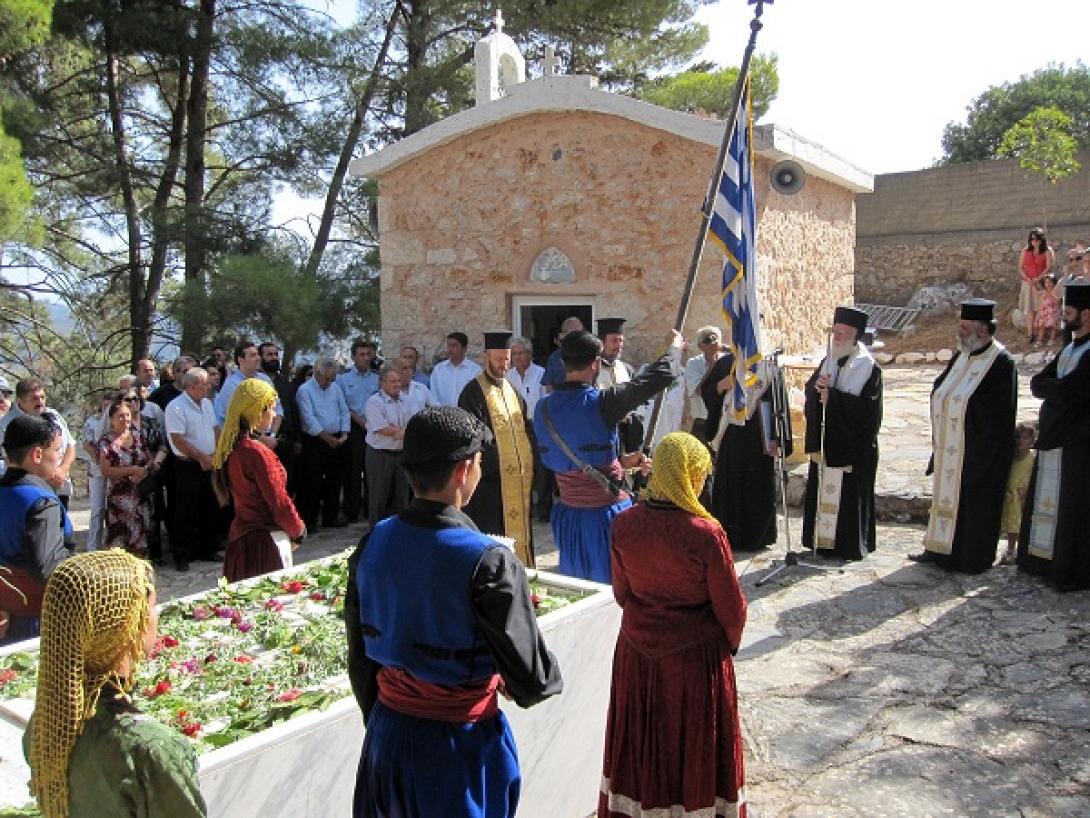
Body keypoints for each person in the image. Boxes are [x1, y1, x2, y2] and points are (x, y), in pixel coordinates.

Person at [345, 406, 563, 818]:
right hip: (457, 749)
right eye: (480, 462)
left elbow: (360, 657)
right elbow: (532, 679)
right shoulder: (488, 560)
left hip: (386, 739)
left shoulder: (373, 541)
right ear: (464, 470)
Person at [600, 432, 747, 818]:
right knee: (691, 747)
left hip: (637, 656)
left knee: (643, 744)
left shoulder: (624, 524)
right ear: (685, 476)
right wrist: (725, 649)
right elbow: (732, 610)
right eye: (697, 475)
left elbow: (622, 592)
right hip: (694, 663)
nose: (700, 484)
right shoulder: (706, 534)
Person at [25, 550, 207, 818]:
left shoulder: (47, 725)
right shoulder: (151, 750)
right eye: (152, 607)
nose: (156, 617)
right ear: (129, 626)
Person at [534, 328, 682, 582]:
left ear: (563, 362)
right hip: (606, 517)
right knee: (617, 588)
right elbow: (659, 377)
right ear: (595, 364)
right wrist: (674, 348)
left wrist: (621, 462)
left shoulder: (542, 408)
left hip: (569, 518)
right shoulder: (603, 403)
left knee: (581, 588)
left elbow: (572, 459)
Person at [912, 299, 1017, 572]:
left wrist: (957, 404)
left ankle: (970, 558)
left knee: (974, 507)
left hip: (980, 453)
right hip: (951, 447)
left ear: (982, 331)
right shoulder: (962, 355)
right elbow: (942, 386)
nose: (959, 332)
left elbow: (995, 412)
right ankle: (938, 551)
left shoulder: (1001, 363)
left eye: (964, 327)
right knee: (945, 499)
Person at [1018, 280, 1090, 591]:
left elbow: (1072, 392)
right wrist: (1055, 391)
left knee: (1073, 509)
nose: (1063, 316)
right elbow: (1039, 384)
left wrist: (1054, 391)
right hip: (1055, 440)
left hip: (1078, 445)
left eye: (1069, 311)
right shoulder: (1070, 349)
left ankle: (1067, 569)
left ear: (1086, 314)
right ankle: (1042, 561)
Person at [801, 306, 883, 561]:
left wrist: (833, 398)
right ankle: (822, 543)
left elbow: (869, 412)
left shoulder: (869, 368)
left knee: (848, 499)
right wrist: (817, 392)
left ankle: (848, 545)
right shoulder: (829, 359)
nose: (836, 338)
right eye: (835, 332)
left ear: (855, 337)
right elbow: (811, 392)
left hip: (852, 447)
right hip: (828, 443)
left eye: (842, 334)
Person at [212, 379, 306, 582]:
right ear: (257, 411)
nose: (273, 415)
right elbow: (278, 501)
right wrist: (298, 530)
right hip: (265, 543)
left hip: (241, 539)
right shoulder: (255, 452)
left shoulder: (232, 448)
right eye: (271, 409)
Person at [458, 332, 537, 566]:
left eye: (507, 359)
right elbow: (475, 437)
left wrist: (531, 456)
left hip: (517, 483)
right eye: (499, 358)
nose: (504, 364)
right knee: (493, 537)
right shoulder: (472, 393)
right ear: (486, 357)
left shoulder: (513, 391)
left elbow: (526, 428)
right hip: (489, 486)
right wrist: (502, 463)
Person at [702, 354, 790, 553]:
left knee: (757, 485)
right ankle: (726, 535)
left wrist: (777, 436)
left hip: (758, 438)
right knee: (729, 485)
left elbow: (779, 403)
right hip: (730, 437)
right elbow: (706, 392)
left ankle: (758, 537)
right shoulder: (725, 363)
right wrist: (720, 386)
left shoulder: (767, 367)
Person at [0, 416, 73, 645]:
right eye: (56, 450)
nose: (59, 457)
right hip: (38, 617)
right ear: (37, 454)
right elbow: (46, 567)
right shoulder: (40, 501)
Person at [164, 367, 220, 571]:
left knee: (209, 506)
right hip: (187, 464)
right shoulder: (176, 407)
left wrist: (215, 453)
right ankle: (182, 554)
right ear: (193, 385)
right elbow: (178, 439)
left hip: (209, 461)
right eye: (205, 383)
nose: (209, 386)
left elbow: (214, 428)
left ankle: (206, 548)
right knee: (185, 509)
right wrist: (201, 457)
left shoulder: (206, 403)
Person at [0, 378, 77, 508]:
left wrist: (62, 470)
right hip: (30, 491)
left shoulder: (54, 416)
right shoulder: (8, 424)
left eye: (42, 397)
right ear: (20, 400)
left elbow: (70, 445)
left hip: (60, 485)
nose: (40, 402)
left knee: (62, 526)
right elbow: (11, 460)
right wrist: (45, 476)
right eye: (35, 399)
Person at [296, 357, 351, 530]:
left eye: (331, 378)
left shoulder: (335, 388)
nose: (328, 382)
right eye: (326, 378)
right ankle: (309, 519)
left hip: (336, 439)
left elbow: (344, 410)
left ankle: (331, 516)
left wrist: (344, 433)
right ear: (316, 373)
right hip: (316, 441)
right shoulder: (305, 390)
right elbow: (308, 419)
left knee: (335, 480)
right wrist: (327, 438)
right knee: (312, 481)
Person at [97, 397, 152, 557]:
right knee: (120, 541)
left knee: (140, 537)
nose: (125, 419)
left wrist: (143, 471)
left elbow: (149, 459)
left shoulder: (137, 436)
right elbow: (106, 470)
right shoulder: (106, 442)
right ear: (112, 419)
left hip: (139, 496)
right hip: (118, 498)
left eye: (127, 415)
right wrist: (132, 470)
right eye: (120, 416)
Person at [338, 340, 381, 523]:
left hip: (375, 428)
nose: (365, 358)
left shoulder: (377, 378)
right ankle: (351, 511)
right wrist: (360, 422)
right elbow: (343, 406)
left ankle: (370, 509)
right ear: (354, 356)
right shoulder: (343, 379)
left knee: (372, 471)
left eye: (368, 354)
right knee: (353, 472)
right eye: (361, 354)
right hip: (354, 429)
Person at [363, 366, 411, 526]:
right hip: (379, 454)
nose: (397, 384)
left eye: (398, 381)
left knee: (401, 498)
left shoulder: (406, 399)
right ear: (382, 384)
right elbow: (381, 428)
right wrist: (400, 431)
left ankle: (399, 534)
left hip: (401, 453)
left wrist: (397, 430)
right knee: (379, 498)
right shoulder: (374, 402)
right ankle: (376, 535)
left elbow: (410, 424)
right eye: (393, 381)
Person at [594, 318, 644, 457]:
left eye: (621, 340)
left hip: (627, 434)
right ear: (602, 343)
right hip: (603, 434)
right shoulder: (592, 370)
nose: (619, 345)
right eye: (614, 341)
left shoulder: (627, 369)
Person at [79, 394, 113, 552]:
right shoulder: (92, 421)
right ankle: (93, 546)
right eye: (105, 405)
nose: (106, 409)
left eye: (110, 406)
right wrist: (100, 460)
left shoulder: (116, 421)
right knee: (97, 508)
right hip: (96, 471)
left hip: (115, 470)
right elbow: (87, 444)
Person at [1000, 422, 1037, 565]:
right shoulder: (1012, 458)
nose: (1021, 441)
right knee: (1011, 525)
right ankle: (1010, 549)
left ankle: (1020, 550)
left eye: (1025, 438)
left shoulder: (1031, 458)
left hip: (1022, 496)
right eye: (1019, 438)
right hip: (1010, 496)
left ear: (1032, 441)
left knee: (1020, 524)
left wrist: (1028, 489)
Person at [684, 326, 724, 443]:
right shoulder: (693, 364)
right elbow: (699, 391)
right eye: (706, 341)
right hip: (702, 422)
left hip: (723, 420)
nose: (711, 344)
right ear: (700, 346)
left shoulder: (726, 361)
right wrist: (712, 366)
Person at [1018, 228, 1054, 345]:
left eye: (1037, 239)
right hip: (1028, 282)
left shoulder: (1047, 251)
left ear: (1041, 239)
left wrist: (1038, 278)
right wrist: (1028, 279)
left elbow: (1048, 267)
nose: (1034, 241)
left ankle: (1041, 336)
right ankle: (1030, 334)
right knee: (1030, 309)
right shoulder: (1025, 250)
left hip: (1042, 282)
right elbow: (1021, 267)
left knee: (1041, 308)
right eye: (1032, 239)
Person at [429, 332, 482, 406]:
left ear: (464, 349)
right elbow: (433, 395)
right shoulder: (439, 370)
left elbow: (477, 396)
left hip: (466, 415)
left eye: (454, 345)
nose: (450, 349)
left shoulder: (475, 371)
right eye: (448, 345)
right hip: (442, 414)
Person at [541, 316, 583, 393]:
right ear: (564, 335)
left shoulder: (588, 354)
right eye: (575, 332)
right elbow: (549, 384)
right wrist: (557, 401)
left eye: (581, 332)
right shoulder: (555, 357)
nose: (579, 336)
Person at [1036, 273, 1061, 347]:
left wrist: (1052, 294)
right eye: (1046, 282)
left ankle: (1052, 339)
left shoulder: (1055, 292)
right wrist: (1038, 315)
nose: (1048, 284)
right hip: (1044, 311)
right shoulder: (1043, 293)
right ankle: (1040, 340)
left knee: (1053, 323)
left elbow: (1058, 302)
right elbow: (1041, 304)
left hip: (1054, 311)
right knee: (1041, 326)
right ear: (1044, 284)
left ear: (1054, 283)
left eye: (1050, 282)